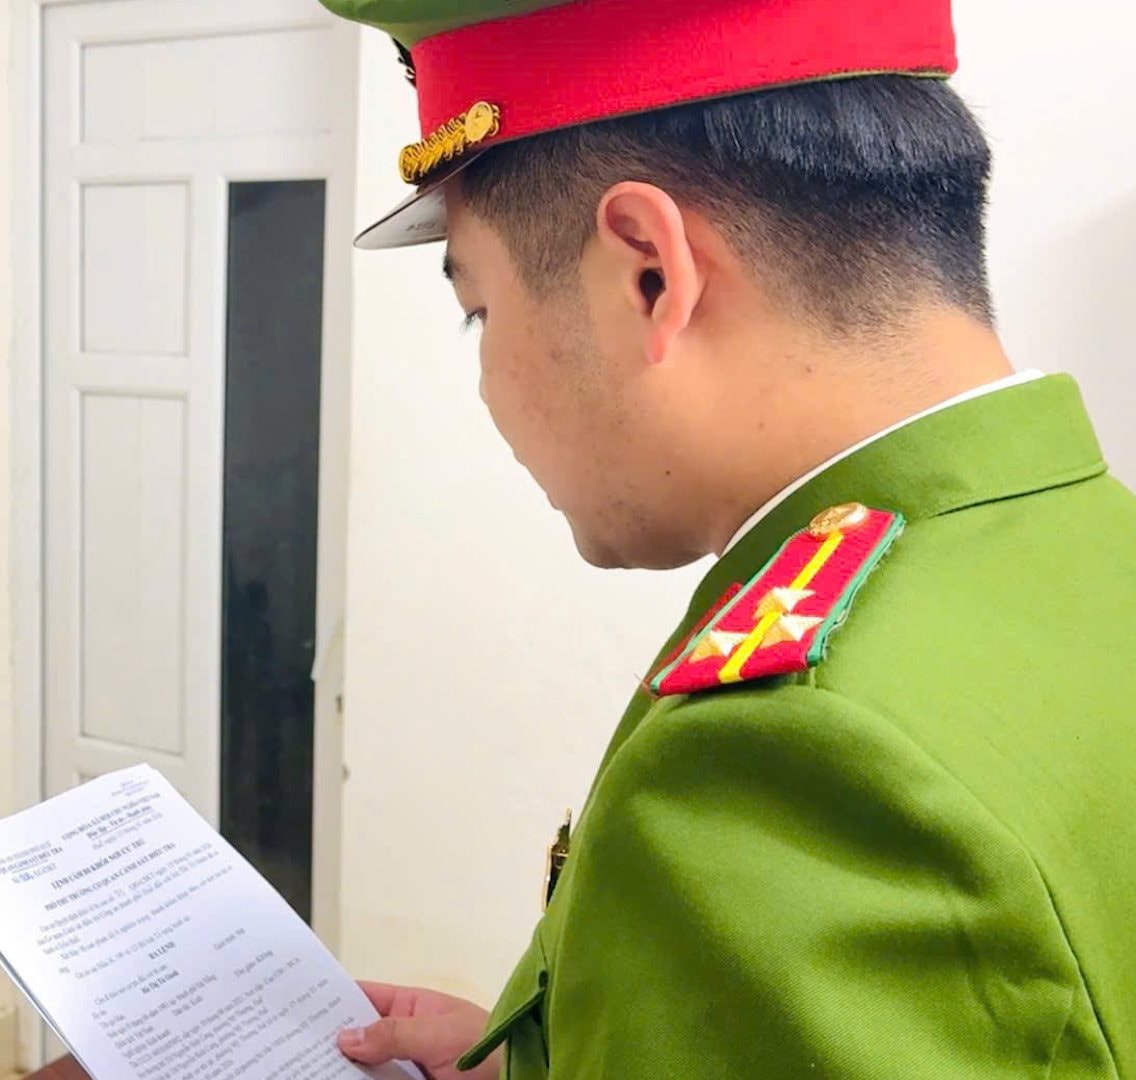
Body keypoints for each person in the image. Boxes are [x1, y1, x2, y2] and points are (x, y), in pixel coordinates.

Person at [313, 1, 1133, 1077]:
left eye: (480, 311)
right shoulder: (1089, 541)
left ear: (649, 272)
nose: (487, 383)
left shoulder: (791, 761)